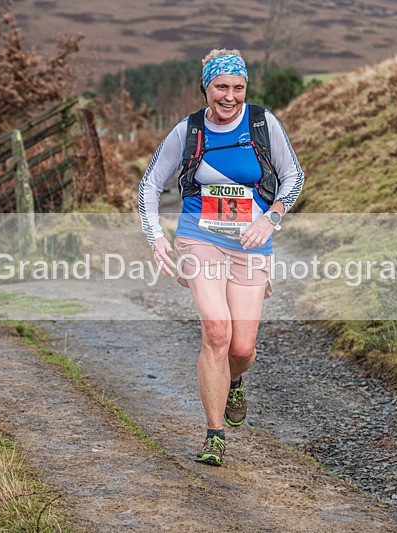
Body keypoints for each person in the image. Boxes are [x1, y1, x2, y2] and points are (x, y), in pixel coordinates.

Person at [138, 49, 304, 466]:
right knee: (216, 331)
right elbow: (150, 184)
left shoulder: (263, 123)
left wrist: (272, 218)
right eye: (221, 87)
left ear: (245, 89)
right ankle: (214, 435)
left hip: (251, 242)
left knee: (242, 346)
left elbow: (293, 177)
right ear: (205, 88)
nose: (229, 97)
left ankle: (235, 380)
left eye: (238, 88)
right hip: (200, 238)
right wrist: (156, 237)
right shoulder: (188, 130)